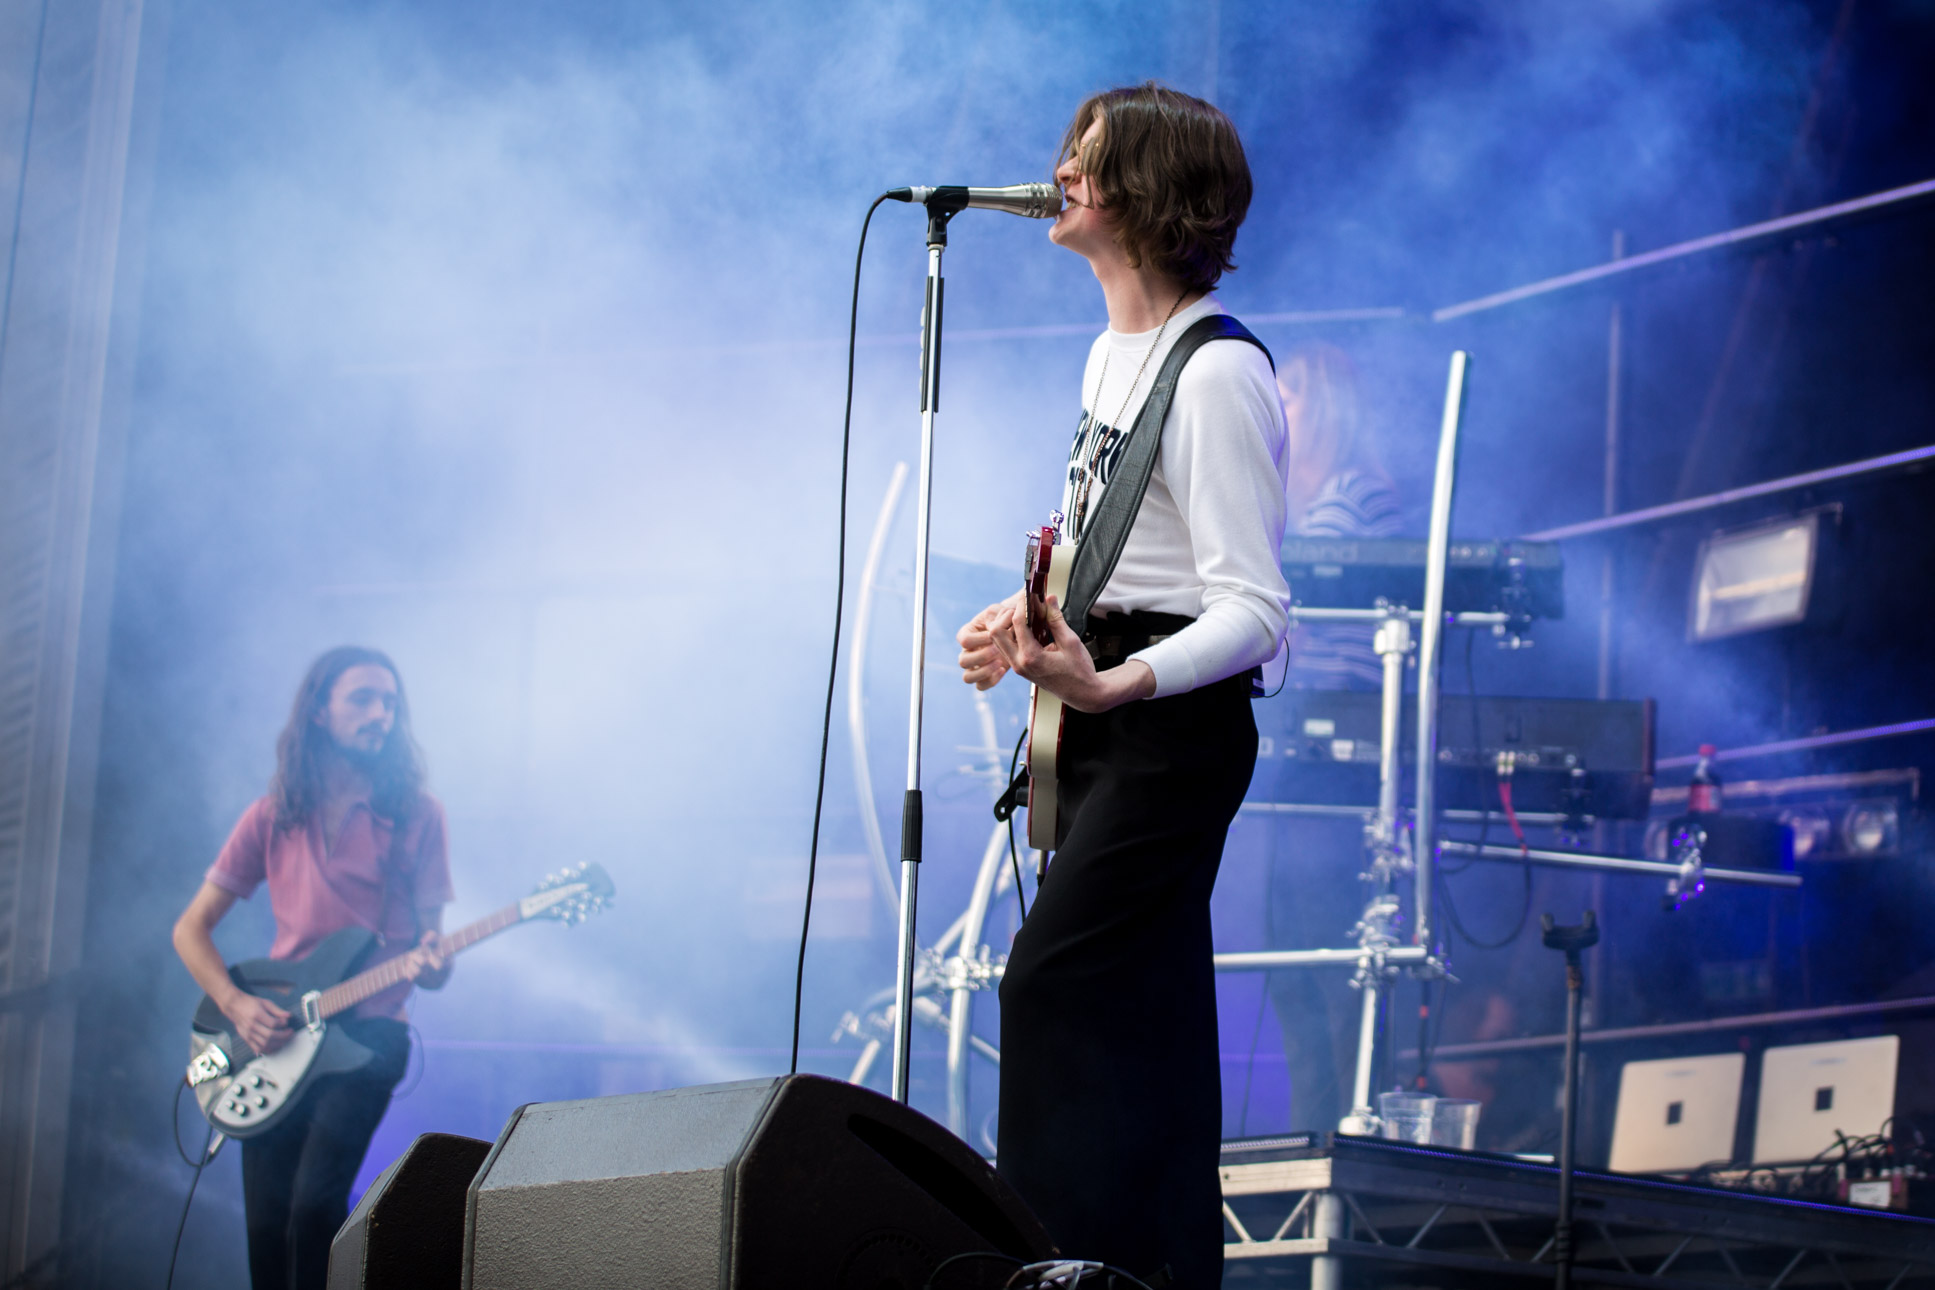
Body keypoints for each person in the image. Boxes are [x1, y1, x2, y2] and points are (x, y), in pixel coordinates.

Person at [955, 83, 1289, 1288]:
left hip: (1170, 731)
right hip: (1105, 716)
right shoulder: (1110, 354)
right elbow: (1119, 551)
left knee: (1052, 982)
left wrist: (1110, 687)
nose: (1060, 175)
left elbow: (1253, 609)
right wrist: (1033, 618)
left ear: (1148, 190)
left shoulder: (1215, 373)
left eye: (1087, 159)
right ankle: (1144, 1270)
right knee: (1139, 1023)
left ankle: (1047, 1269)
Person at [172, 647, 453, 1290]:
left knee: (313, 1210)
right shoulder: (273, 815)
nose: (381, 713)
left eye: (391, 702)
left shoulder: (417, 815)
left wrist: (436, 962)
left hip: (371, 1036)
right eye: (363, 698)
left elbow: (434, 961)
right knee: (266, 1226)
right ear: (320, 711)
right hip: (277, 1036)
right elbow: (189, 930)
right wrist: (238, 1005)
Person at [1264, 342, 1406, 1132]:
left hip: (1342, 764)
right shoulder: (1297, 502)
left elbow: (1350, 653)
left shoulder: (1355, 499)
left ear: (1331, 410)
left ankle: (1346, 1128)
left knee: (1329, 958)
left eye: (1292, 398)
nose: (1278, 411)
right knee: (1291, 958)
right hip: (1299, 760)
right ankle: (1314, 1126)